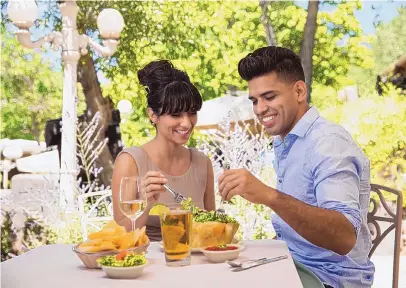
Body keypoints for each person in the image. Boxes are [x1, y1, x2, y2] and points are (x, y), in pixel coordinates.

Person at [218, 46, 374, 288]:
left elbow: (344, 238)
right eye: (255, 100)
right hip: (292, 267)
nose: (259, 109)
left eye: (269, 97)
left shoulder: (327, 143)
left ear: (299, 91)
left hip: (328, 280)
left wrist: (269, 196)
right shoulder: (286, 141)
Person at [112, 60, 215, 241]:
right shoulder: (130, 161)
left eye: (192, 112)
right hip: (147, 264)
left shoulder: (202, 163)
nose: (187, 123)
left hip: (195, 264)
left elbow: (211, 226)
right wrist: (145, 203)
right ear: (153, 115)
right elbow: (120, 234)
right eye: (176, 114)